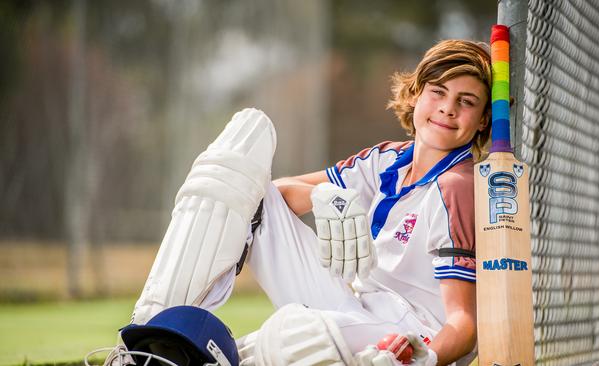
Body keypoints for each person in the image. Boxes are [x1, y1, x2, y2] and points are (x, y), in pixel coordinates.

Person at [124, 39, 492, 366]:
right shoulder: (387, 159)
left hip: (409, 335)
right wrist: (323, 196)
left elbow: (463, 322)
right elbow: (268, 198)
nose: (447, 108)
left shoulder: (456, 186)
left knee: (295, 339)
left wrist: (426, 359)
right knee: (240, 169)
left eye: (466, 101)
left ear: (481, 121)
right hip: (357, 305)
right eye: (438, 92)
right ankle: (151, 335)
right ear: (415, 94)